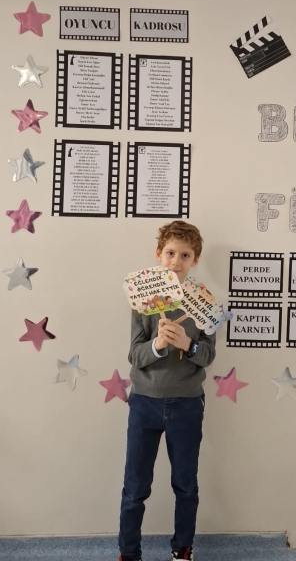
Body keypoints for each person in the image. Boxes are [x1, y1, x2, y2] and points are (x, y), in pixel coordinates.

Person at [118, 221, 216, 561]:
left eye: (185, 255)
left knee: (186, 484)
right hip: (144, 403)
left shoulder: (203, 301)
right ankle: (129, 553)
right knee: (135, 487)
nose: (176, 262)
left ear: (195, 259)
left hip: (187, 404)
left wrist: (188, 344)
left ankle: (183, 549)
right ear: (159, 254)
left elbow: (208, 356)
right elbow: (135, 355)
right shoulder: (142, 301)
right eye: (170, 253)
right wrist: (158, 345)